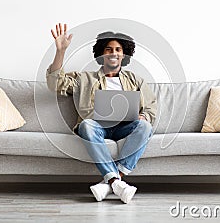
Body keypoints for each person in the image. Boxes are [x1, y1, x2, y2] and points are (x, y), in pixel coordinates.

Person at [46, 23, 157, 204]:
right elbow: (55, 84)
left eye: (118, 49)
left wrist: (143, 116)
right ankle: (117, 182)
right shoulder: (84, 79)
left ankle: (111, 181)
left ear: (124, 53)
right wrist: (60, 51)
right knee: (86, 125)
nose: (114, 52)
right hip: (97, 127)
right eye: (109, 49)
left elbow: (150, 107)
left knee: (145, 126)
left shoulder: (136, 80)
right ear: (102, 53)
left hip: (125, 128)